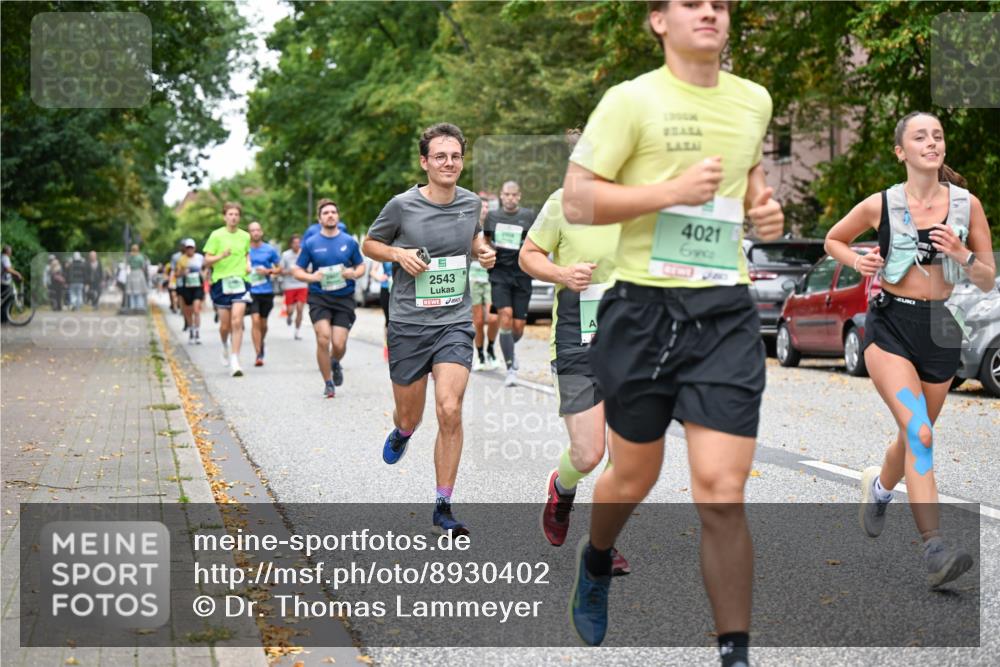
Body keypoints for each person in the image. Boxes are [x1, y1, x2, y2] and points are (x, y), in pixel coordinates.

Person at [560, 3, 784, 663]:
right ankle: (596, 558)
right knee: (633, 472)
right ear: (659, 20)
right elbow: (577, 199)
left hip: (724, 312)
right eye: (692, 2)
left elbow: (750, 187)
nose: (710, 11)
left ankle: (733, 650)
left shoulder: (754, 101)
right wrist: (669, 191)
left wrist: (764, 212)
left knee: (721, 488)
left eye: (720, 3)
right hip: (642, 311)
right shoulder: (631, 101)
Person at [824, 111, 995, 588]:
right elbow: (833, 239)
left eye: (938, 136)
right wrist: (858, 259)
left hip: (941, 328)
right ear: (901, 151)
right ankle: (935, 547)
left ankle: (879, 488)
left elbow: (986, 277)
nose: (932, 142)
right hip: (891, 324)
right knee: (919, 433)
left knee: (912, 434)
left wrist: (962, 257)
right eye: (920, 136)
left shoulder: (967, 206)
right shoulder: (882, 204)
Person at [363, 122, 497, 536]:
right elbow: (370, 244)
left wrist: (483, 251)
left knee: (450, 409)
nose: (448, 162)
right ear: (425, 162)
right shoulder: (402, 205)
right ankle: (403, 432)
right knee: (412, 415)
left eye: (455, 155)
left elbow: (472, 237)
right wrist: (398, 254)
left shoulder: (471, 202)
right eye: (440, 155)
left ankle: (443, 503)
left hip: (454, 321)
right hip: (408, 323)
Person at [519, 133, 629, 578]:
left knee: (625, 457)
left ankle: (604, 546)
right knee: (588, 454)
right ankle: (561, 490)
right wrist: (562, 272)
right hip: (577, 339)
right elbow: (529, 255)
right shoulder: (562, 203)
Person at [292, 199, 365, 397]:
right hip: (319, 297)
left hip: (344, 298)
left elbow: (361, 266)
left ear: (338, 216)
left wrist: (353, 273)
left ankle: (335, 362)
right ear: (319, 219)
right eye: (326, 213)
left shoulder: (349, 241)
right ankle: (328, 382)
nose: (330, 215)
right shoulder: (311, 243)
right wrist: (311, 277)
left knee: (339, 344)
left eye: (333, 212)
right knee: (323, 338)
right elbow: (296, 270)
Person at [483, 181, 536, 385]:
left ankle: (507, 347)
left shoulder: (528, 216)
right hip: (500, 275)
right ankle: (510, 367)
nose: (510, 198)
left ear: (519, 196)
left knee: (518, 326)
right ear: (501, 195)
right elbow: (485, 239)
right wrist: (488, 252)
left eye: (514, 195)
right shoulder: (492, 217)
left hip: (522, 274)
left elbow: (537, 241)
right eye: (506, 194)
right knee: (505, 317)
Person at [204, 202, 252, 377]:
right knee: (225, 325)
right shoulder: (216, 236)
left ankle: (235, 359)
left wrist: (248, 264)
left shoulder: (245, 236)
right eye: (230, 214)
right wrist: (221, 256)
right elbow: (206, 260)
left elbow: (247, 253)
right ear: (225, 216)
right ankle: (225, 344)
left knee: (237, 321)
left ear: (239, 217)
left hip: (240, 281)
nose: (233, 217)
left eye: (236, 214)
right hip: (221, 283)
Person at [471, 196, 500, 371]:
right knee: (479, 321)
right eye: (482, 207)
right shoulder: (470, 228)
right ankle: (480, 355)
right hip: (474, 280)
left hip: (491, 280)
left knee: (493, 318)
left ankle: (490, 348)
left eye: (488, 207)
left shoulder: (495, 229)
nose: (485, 210)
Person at [246, 221, 281, 366]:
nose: (255, 233)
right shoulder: (245, 250)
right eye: (252, 230)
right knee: (255, 321)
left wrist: (268, 271)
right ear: (249, 233)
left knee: (263, 324)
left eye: (257, 230)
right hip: (251, 291)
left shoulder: (269, 249)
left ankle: (261, 340)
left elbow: (279, 268)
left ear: (261, 232)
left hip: (266, 291)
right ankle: (258, 354)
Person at [175, 238, 206, 344]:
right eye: (188, 248)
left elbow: (206, 269)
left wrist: (204, 275)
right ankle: (191, 330)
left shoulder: (200, 258)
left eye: (191, 248)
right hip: (186, 287)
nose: (190, 250)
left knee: (196, 310)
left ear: (194, 248)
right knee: (188, 311)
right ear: (185, 249)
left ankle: (197, 332)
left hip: (198, 286)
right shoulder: (181, 259)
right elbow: (177, 274)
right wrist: (183, 272)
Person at [280, 234, 309, 340]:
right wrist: (290, 271)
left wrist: (301, 271)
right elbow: (281, 270)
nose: (297, 245)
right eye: (294, 243)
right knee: (290, 309)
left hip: (302, 284)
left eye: (298, 243)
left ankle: (297, 332)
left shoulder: (304, 254)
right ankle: (289, 315)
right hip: (289, 285)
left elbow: (310, 269)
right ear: (291, 244)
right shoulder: (286, 255)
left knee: (300, 309)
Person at [370, 258, 393, 361]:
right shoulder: (384, 248)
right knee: (389, 320)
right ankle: (387, 346)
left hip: (402, 288)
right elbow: (372, 271)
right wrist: (379, 277)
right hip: (386, 288)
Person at [1, 245, 24, 323]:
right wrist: (17, 273)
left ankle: (4, 318)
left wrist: (13, 275)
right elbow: (7, 269)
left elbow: (7, 270)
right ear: (7, 251)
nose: (11, 252)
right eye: (10, 251)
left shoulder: (2, 257)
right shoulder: (5, 258)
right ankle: (5, 319)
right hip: (4, 282)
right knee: (8, 300)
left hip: (3, 281)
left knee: (5, 300)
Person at [125, 244, 149, 312]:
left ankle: (132, 306)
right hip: (139, 273)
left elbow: (127, 265)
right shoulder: (140, 257)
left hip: (132, 273)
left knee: (132, 291)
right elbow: (143, 266)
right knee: (140, 291)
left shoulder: (129, 257)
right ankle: (139, 306)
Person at [168, 241, 183, 315]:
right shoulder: (176, 256)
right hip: (175, 277)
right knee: (173, 293)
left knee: (181, 295)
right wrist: (171, 280)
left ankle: (180, 307)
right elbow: (172, 270)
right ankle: (174, 307)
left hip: (185, 279)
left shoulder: (191, 256)